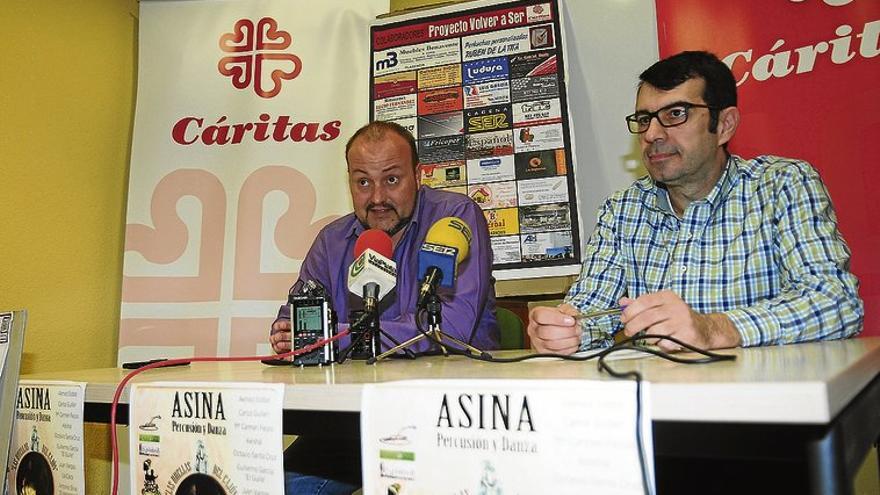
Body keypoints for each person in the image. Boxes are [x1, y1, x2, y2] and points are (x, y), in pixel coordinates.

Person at [528, 51, 863, 355]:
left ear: (725, 125)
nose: (652, 135)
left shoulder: (783, 185)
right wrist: (563, 329)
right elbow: (589, 310)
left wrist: (714, 329)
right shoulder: (621, 211)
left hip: (766, 407)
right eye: (644, 119)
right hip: (659, 406)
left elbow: (836, 302)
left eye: (675, 114)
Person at [270, 120, 499, 495]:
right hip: (357, 419)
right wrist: (288, 333)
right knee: (271, 487)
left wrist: (336, 336)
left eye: (391, 179)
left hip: (450, 419)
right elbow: (297, 315)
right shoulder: (332, 241)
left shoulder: (454, 218)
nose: (377, 197)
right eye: (363, 182)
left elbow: (447, 329)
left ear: (418, 175)